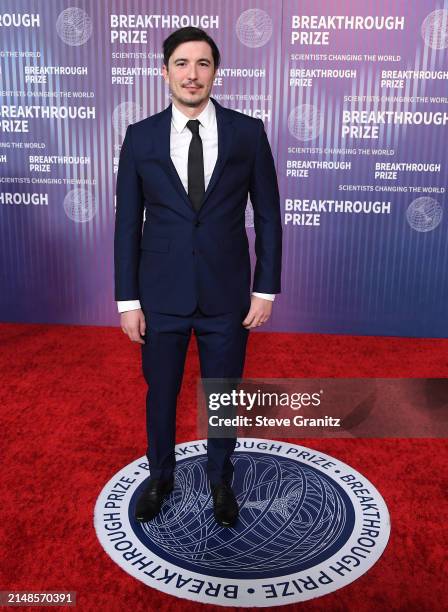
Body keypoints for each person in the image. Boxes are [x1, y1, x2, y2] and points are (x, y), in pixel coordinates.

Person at [114, 27, 282, 527]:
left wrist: (264, 287)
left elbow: (268, 215)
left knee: (222, 393)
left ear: (216, 71)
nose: (192, 74)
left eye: (203, 64)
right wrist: (128, 301)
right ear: (164, 72)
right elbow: (127, 223)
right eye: (182, 64)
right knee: (160, 391)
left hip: (227, 293)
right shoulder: (140, 136)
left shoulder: (247, 132)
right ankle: (160, 477)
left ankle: (219, 480)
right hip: (159, 294)